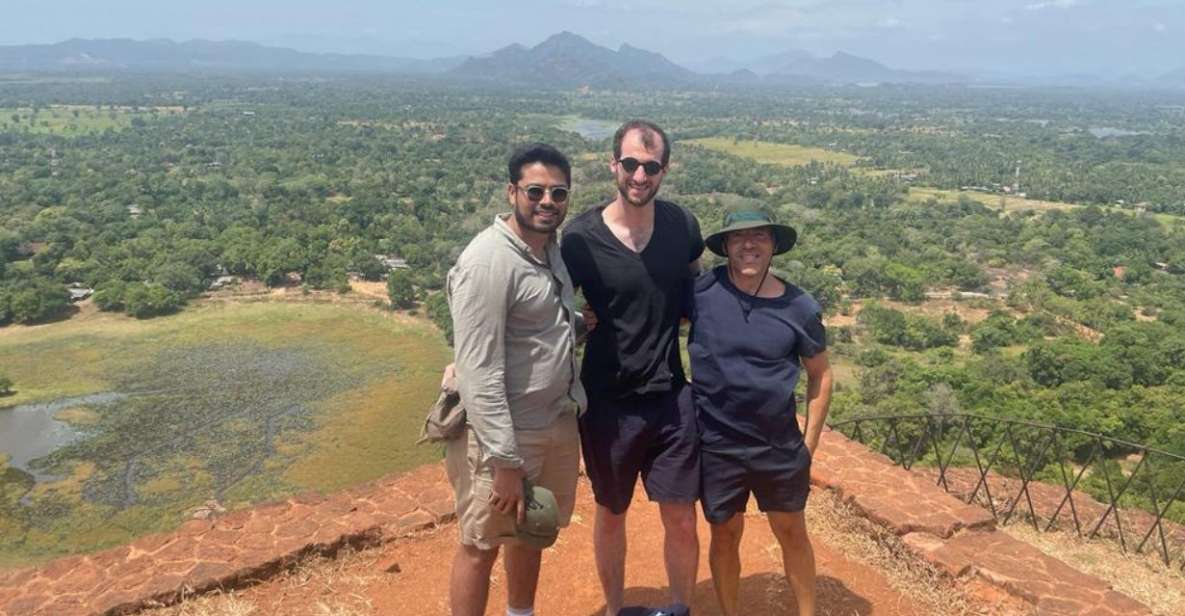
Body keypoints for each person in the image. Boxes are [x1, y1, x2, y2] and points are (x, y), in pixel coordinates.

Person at [560, 120, 702, 616]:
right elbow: (549, 302)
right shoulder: (579, 239)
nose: (640, 176)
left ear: (665, 170)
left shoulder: (682, 226)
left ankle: (681, 606)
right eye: (631, 164)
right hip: (607, 402)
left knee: (682, 517)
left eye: (651, 166)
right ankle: (616, 608)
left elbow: (691, 285)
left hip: (671, 397)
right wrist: (582, 319)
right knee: (611, 513)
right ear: (613, 165)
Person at [446, 143, 587, 616]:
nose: (548, 201)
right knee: (481, 543)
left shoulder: (549, 251)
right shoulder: (489, 262)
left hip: (554, 419)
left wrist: (579, 327)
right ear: (512, 192)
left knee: (533, 530)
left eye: (558, 193)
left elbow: (539, 327)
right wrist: (503, 460)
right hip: (507, 434)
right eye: (535, 191)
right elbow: (479, 370)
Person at [688, 210, 833, 616]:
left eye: (759, 236)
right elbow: (651, 312)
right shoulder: (702, 292)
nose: (749, 245)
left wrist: (808, 445)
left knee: (791, 531)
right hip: (717, 443)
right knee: (725, 534)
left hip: (778, 444)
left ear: (773, 246)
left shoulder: (799, 307)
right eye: (739, 238)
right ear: (726, 247)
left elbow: (821, 375)